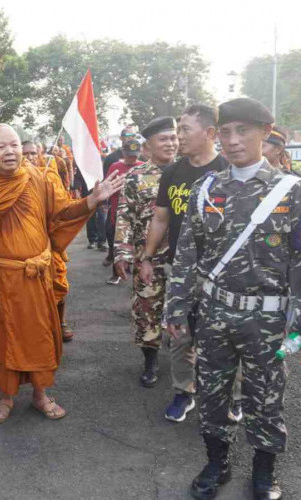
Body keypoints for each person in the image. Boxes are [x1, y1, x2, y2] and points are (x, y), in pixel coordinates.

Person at [0, 124, 125, 423]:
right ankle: (5, 395)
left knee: (40, 336)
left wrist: (93, 200)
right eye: (1, 147)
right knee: (3, 339)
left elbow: (62, 214)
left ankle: (41, 395)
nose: (10, 151)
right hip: (1, 277)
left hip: (36, 275)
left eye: (14, 144)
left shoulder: (40, 177)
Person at [166, 98, 300, 500]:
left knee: (266, 396)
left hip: (267, 319)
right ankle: (216, 462)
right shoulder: (207, 188)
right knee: (212, 392)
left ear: (266, 133)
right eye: (226, 132)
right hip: (215, 313)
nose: (233, 141)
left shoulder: (290, 192)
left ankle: (264, 472)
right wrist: (175, 305)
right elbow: (188, 252)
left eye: (243, 131)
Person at [139, 105, 228, 423]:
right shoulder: (173, 172)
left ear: (209, 133)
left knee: (226, 337)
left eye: (185, 130)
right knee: (180, 334)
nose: (178, 137)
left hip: (223, 274)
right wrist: (147, 257)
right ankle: (184, 392)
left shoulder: (227, 170)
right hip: (182, 269)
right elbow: (161, 217)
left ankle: (230, 397)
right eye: (177, 131)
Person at [114, 116, 178, 388]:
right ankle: (151, 361)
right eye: (163, 139)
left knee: (186, 311)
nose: (171, 143)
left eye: (174, 138)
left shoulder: (190, 173)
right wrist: (122, 252)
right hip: (147, 258)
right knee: (147, 310)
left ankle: (187, 362)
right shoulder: (136, 177)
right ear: (149, 145)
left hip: (184, 258)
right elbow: (124, 215)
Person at [22, 140, 75, 342]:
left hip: (49, 239)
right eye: (25, 154)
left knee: (59, 282)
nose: (29, 157)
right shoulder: (12, 179)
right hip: (25, 242)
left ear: (40, 154)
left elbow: (63, 207)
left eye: (33, 153)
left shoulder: (49, 176)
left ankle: (61, 323)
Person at [104, 139, 143, 284]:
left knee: (137, 243)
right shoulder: (115, 167)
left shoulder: (144, 167)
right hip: (117, 213)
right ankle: (116, 273)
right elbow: (106, 186)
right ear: (123, 153)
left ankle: (134, 271)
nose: (132, 158)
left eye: (135, 155)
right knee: (116, 242)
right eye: (129, 155)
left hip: (137, 214)